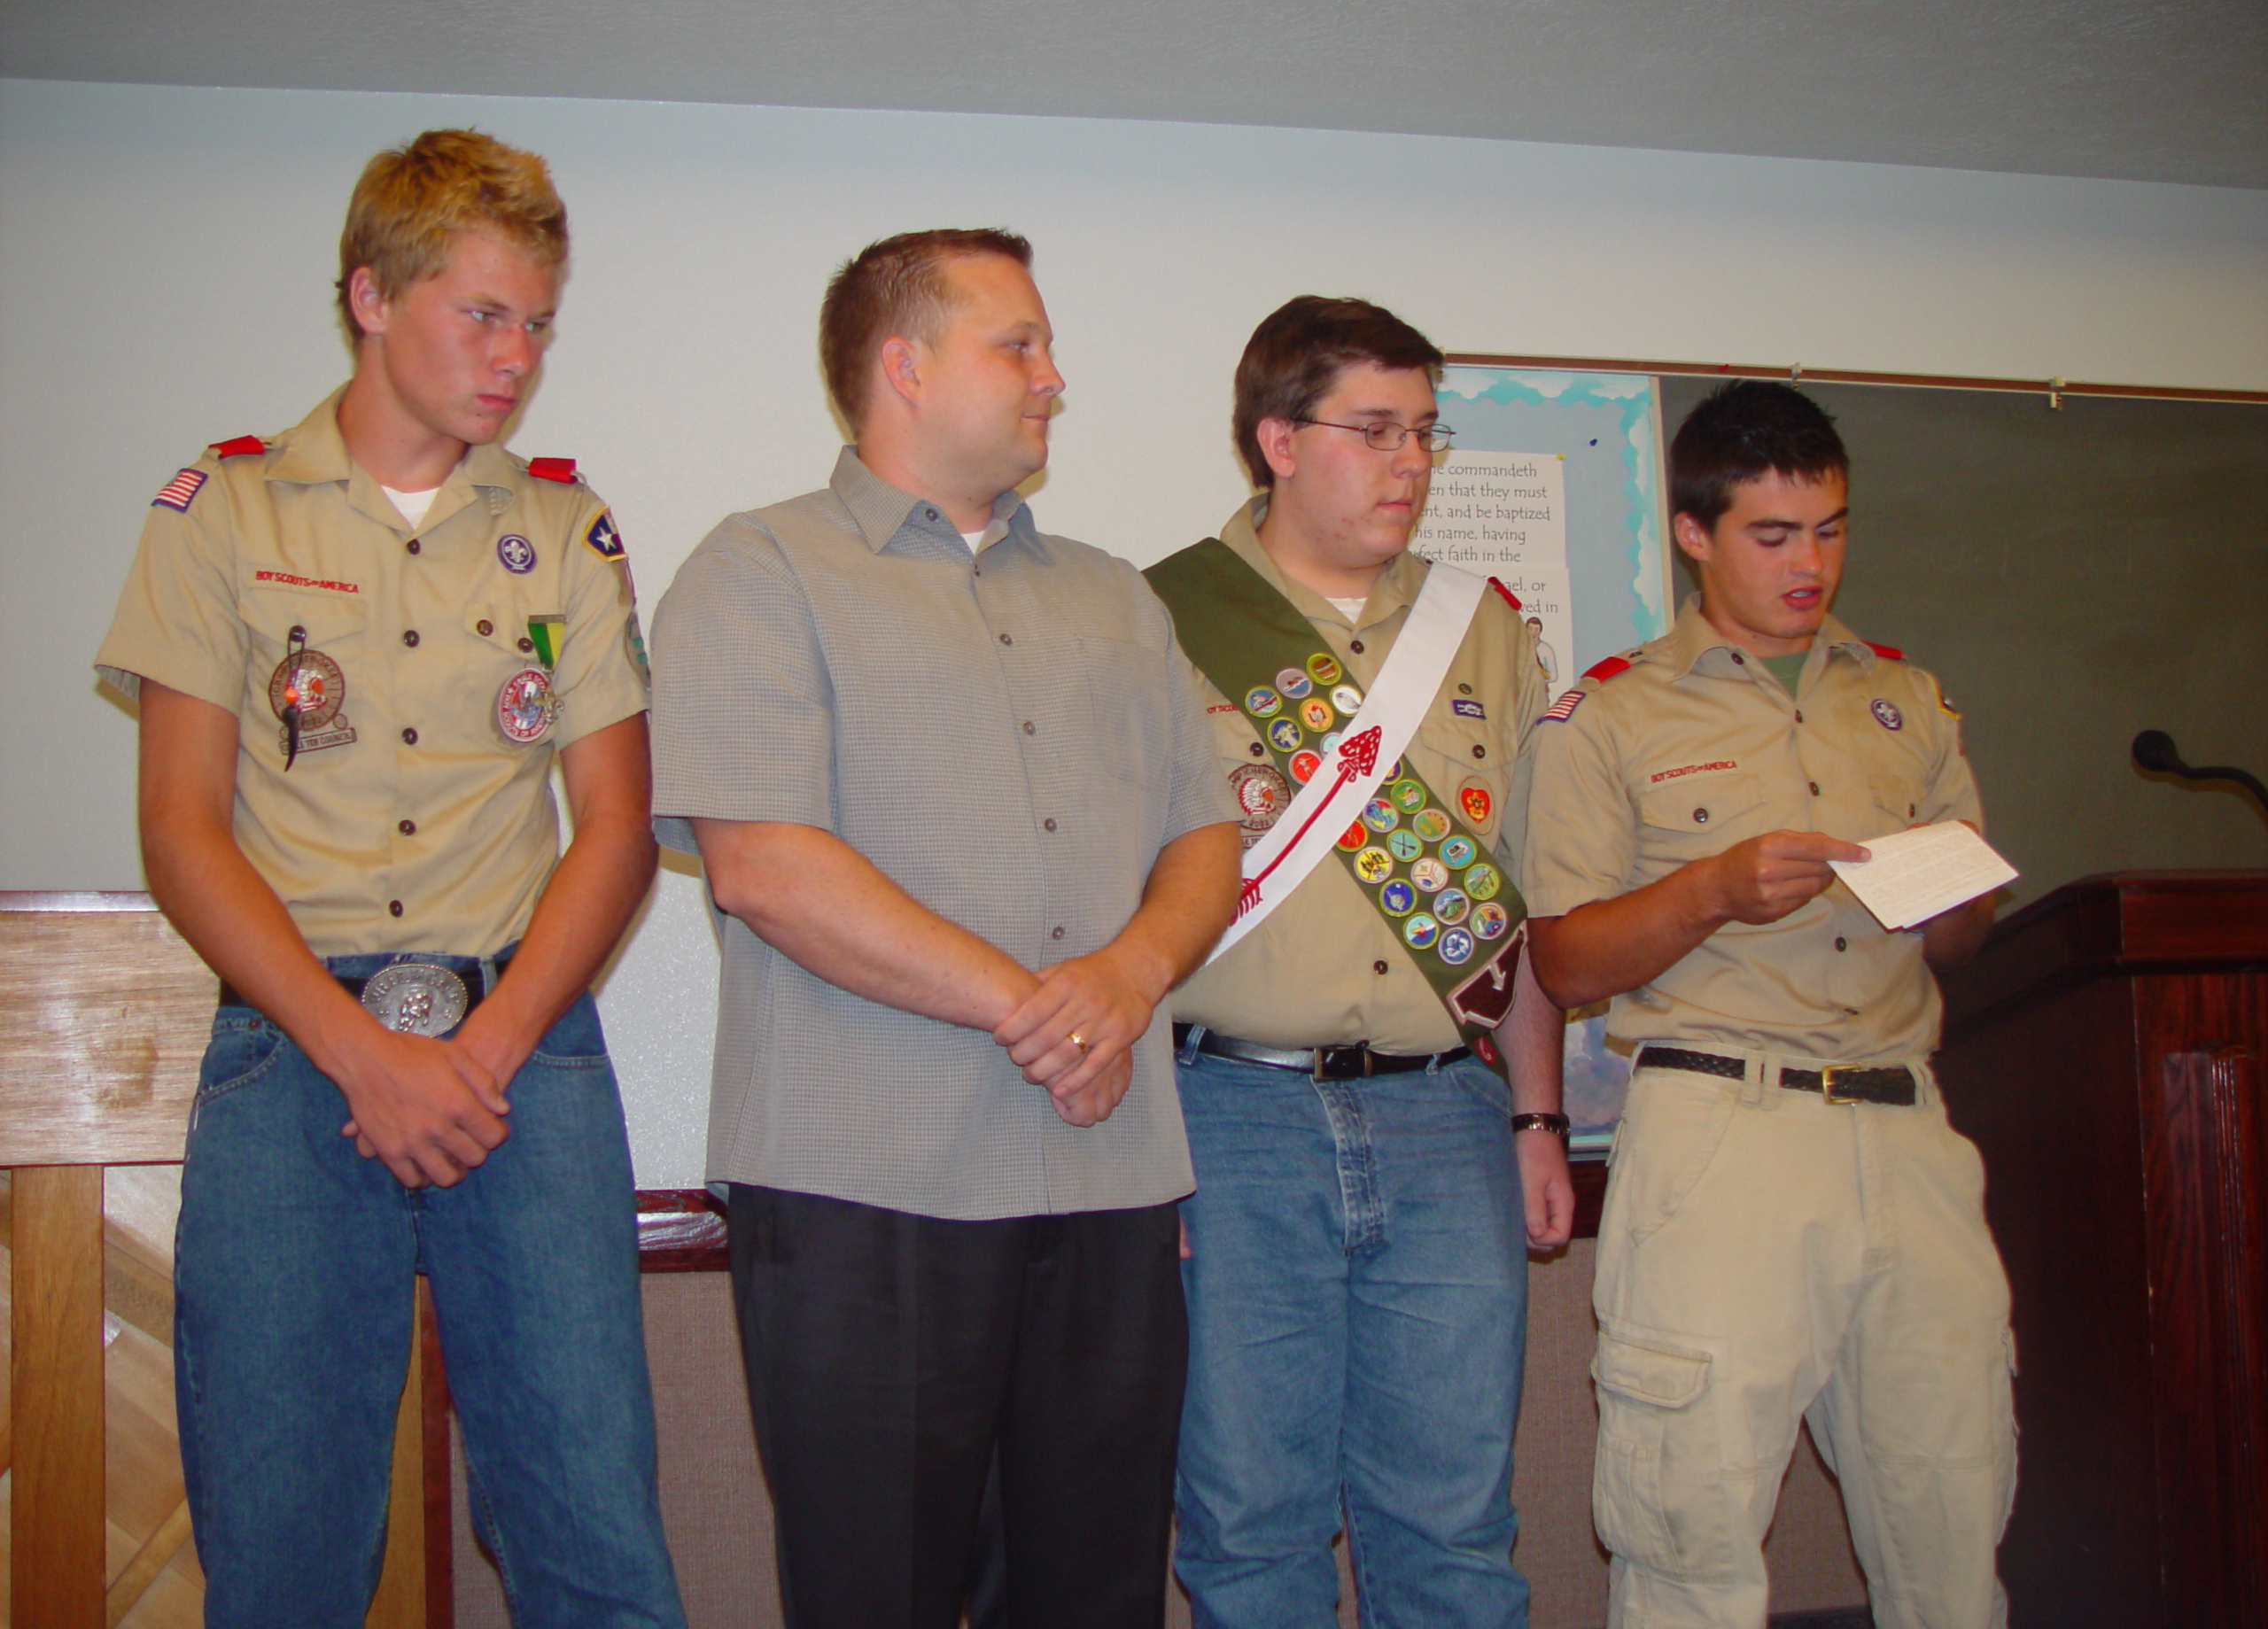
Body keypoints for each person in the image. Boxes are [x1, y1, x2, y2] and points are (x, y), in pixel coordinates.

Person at [94, 130, 684, 1626]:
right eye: (482, 315)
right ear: (369, 293)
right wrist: (365, 1054)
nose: (517, 358)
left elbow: (616, 827)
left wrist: (478, 1055)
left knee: (592, 1534)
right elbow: (182, 831)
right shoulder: (222, 514)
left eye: (538, 322)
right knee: (284, 1545)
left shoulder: (562, 530)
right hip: (296, 1058)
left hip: (522, 1055)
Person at [648, 228, 1241, 1629]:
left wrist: (1126, 976)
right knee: (881, 1595)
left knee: (1095, 1596)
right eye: (1018, 345)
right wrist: (1037, 1007)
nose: (1054, 378)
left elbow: (1204, 834)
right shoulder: (759, 571)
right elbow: (765, 866)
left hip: (1107, 1182)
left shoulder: (1116, 595)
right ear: (903, 366)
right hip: (866, 1193)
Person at [1522, 379, 2015, 1628]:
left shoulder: (1905, 699)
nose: (1812, 564)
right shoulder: (1611, 713)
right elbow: (1567, 965)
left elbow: (1963, 939)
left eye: (1833, 529)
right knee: (1690, 1524)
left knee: (1954, 1508)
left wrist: (1951, 889)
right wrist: (1713, 889)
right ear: (1693, 532)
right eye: (1774, 534)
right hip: (1725, 1131)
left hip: (1908, 1126)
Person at [1145, 295, 1576, 1627]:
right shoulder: (1154, 622)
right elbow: (1101, 909)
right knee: (1249, 1522)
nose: (1413, 464)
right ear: (1278, 438)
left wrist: (1538, 1116)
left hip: (1448, 1116)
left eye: (1427, 434)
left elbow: (1526, 909)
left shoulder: (1484, 632)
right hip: (1228, 1116)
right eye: (1375, 430)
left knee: (1454, 1525)